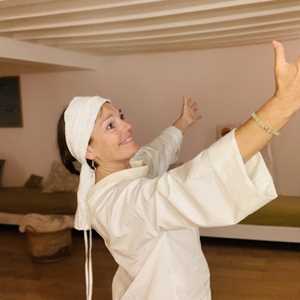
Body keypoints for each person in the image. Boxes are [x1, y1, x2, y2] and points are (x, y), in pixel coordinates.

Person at [57, 40, 300, 300]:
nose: (127, 126)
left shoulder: (132, 167)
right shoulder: (116, 203)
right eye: (110, 125)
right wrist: (281, 106)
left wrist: (181, 124)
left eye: (121, 116)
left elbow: (155, 152)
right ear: (89, 151)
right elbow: (189, 185)